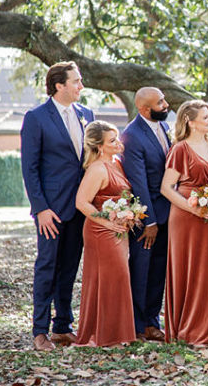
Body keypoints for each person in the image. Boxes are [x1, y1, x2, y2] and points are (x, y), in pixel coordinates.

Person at [20, 61, 94, 351]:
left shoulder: (87, 114)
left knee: (69, 268)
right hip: (50, 209)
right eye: (76, 81)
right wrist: (40, 209)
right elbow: (30, 168)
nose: (81, 86)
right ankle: (40, 331)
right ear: (59, 85)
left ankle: (63, 327)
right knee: (47, 267)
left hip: (80, 207)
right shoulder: (36, 117)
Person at [160, 101, 208, 346]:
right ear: (190, 121)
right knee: (190, 270)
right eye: (206, 117)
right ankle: (189, 331)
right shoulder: (180, 149)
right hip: (186, 216)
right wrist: (195, 209)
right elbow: (166, 188)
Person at [74, 121, 136, 347]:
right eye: (112, 141)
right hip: (101, 232)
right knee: (109, 280)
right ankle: (100, 335)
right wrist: (108, 222)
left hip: (120, 232)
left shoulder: (116, 164)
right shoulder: (97, 169)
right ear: (100, 147)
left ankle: (115, 333)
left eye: (117, 137)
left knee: (118, 279)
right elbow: (81, 202)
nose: (118, 143)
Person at [121, 87, 171, 342]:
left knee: (159, 270)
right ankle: (137, 325)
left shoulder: (164, 127)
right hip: (146, 218)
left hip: (168, 214)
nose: (166, 104)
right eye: (160, 102)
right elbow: (138, 183)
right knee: (141, 270)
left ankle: (153, 321)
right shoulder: (131, 136)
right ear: (143, 109)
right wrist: (149, 221)